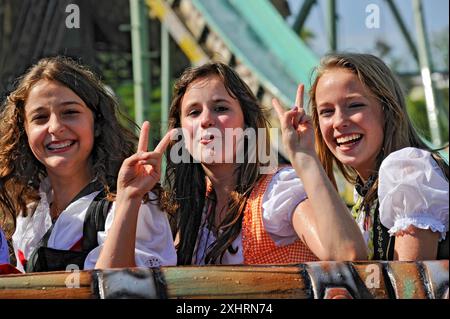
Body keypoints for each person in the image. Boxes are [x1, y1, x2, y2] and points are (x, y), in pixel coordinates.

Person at [97, 62, 367, 268]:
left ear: (246, 124)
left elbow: (349, 256)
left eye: (221, 108)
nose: (206, 121)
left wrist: (305, 158)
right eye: (193, 112)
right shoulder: (179, 210)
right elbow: (112, 287)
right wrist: (130, 198)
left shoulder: (276, 193)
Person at [0, 56, 176, 272]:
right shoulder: (29, 211)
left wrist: (129, 199)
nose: (55, 127)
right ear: (24, 131)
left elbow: (119, 289)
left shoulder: (138, 203)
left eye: (70, 113)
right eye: (40, 117)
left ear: (97, 123)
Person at [303, 52, 448, 260]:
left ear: (387, 109)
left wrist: (306, 162)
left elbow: (410, 288)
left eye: (354, 105)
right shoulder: (365, 194)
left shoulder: (406, 171)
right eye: (326, 111)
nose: (339, 122)